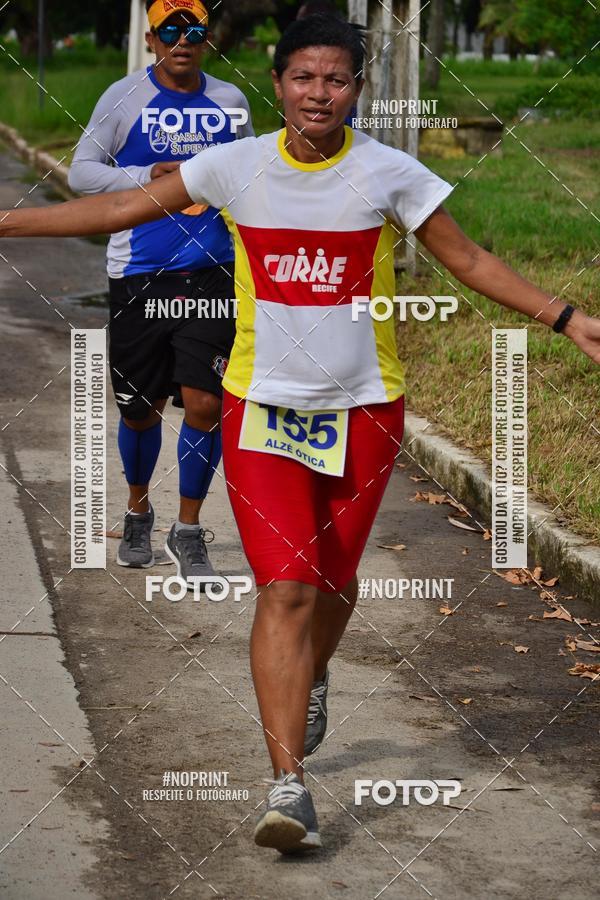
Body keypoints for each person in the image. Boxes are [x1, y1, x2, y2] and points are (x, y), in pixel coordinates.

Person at [2, 14, 599, 855]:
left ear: (356, 89)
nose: (320, 93)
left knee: (335, 583)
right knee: (284, 588)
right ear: (278, 85)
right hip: (261, 407)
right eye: (304, 78)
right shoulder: (235, 165)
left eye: (337, 80)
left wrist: (565, 316)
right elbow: (116, 206)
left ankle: (314, 671)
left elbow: (467, 260)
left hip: (363, 412)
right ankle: (289, 785)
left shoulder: (391, 174)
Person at [68, 0, 253, 581]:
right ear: (152, 40)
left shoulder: (230, 102)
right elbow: (81, 173)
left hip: (212, 272)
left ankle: (189, 529)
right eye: (169, 30)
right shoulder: (122, 99)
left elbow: (247, 172)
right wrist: (144, 176)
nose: (182, 40)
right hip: (138, 272)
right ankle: (138, 510)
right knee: (141, 409)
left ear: (207, 39)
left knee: (205, 404)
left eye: (193, 30)